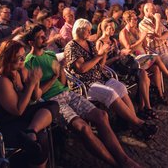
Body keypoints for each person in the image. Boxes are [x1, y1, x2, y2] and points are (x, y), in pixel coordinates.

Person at [24, 26, 141, 168]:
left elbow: (62, 82)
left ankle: (124, 159)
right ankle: (115, 163)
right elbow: (36, 95)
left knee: (102, 116)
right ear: (31, 42)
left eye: (44, 35)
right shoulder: (29, 63)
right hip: (51, 101)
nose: (44, 39)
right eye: (40, 37)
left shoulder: (50, 55)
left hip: (66, 92)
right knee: (83, 128)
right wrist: (54, 76)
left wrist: (60, 70)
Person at [64, 19, 158, 139]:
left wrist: (103, 54)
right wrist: (99, 55)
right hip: (85, 83)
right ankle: (138, 123)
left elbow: (100, 65)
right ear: (79, 30)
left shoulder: (89, 43)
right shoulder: (71, 47)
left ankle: (133, 124)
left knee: (121, 87)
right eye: (87, 30)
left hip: (100, 76)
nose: (89, 32)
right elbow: (81, 69)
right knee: (110, 93)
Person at [0, 40, 58, 168]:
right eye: (19, 57)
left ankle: (31, 130)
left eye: (24, 56)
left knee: (52, 105)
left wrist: (36, 82)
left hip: (16, 119)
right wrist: (31, 84)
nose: (23, 60)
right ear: (8, 59)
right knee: (41, 138)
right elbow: (18, 110)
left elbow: (36, 96)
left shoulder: (19, 71)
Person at [96, 18, 157, 120]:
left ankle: (146, 107)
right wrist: (116, 57)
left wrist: (122, 53)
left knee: (143, 74)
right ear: (104, 28)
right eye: (110, 28)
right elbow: (101, 65)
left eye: (113, 28)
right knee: (142, 75)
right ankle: (144, 108)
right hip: (112, 70)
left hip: (122, 65)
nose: (112, 30)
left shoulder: (113, 40)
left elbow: (117, 54)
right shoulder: (100, 43)